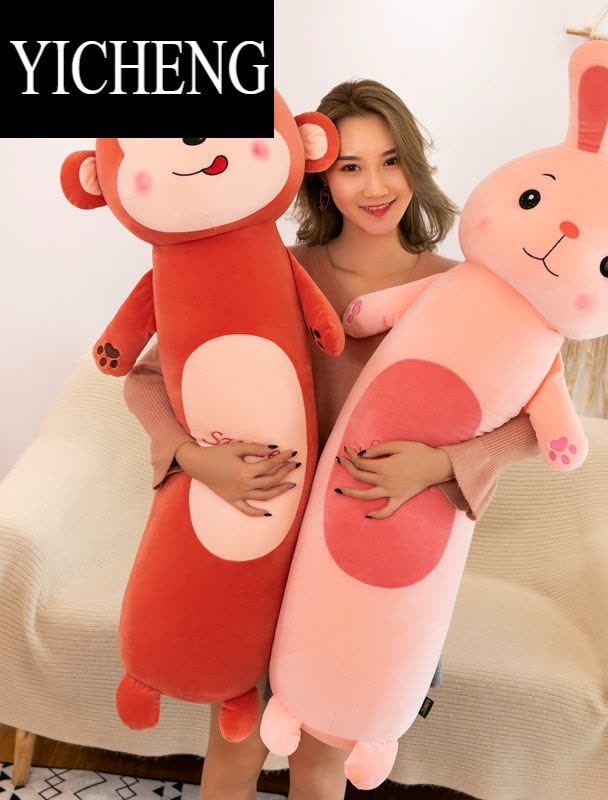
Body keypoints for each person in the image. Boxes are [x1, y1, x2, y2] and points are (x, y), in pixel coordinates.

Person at [124, 79, 539, 800]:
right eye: (350, 166)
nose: (375, 186)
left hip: (360, 570)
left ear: (415, 165)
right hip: (263, 551)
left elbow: (535, 419)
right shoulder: (271, 268)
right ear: (320, 174)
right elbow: (147, 378)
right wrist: (195, 459)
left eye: (391, 161)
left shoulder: (463, 290)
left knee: (319, 765)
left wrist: (442, 465)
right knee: (234, 752)